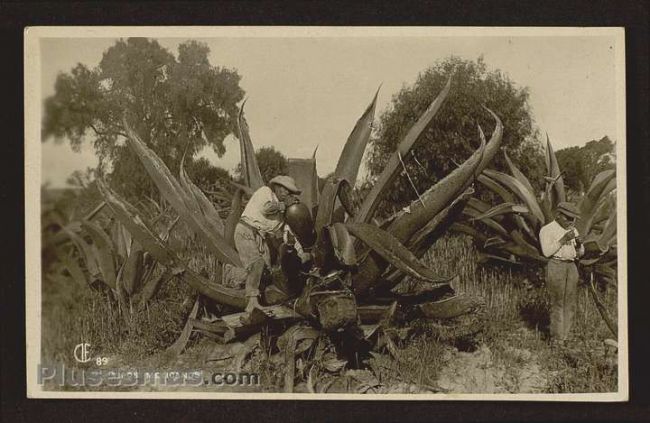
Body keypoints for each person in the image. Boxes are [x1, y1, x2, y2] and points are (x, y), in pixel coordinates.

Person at [231, 175, 302, 311]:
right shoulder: (265, 192)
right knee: (257, 264)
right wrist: (284, 205)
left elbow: (285, 232)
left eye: (289, 191)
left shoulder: (281, 213)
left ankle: (240, 282)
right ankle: (251, 304)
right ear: (276, 186)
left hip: (260, 237)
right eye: (284, 189)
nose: (286, 193)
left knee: (267, 269)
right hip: (246, 231)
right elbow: (266, 208)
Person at [539, 201, 585, 344]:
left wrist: (579, 245)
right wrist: (563, 239)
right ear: (558, 215)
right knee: (557, 302)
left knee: (570, 302)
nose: (571, 221)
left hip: (571, 266)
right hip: (556, 265)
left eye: (573, 219)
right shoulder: (547, 230)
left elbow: (580, 254)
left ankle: (566, 336)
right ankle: (557, 339)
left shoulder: (573, 230)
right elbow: (546, 252)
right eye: (568, 218)